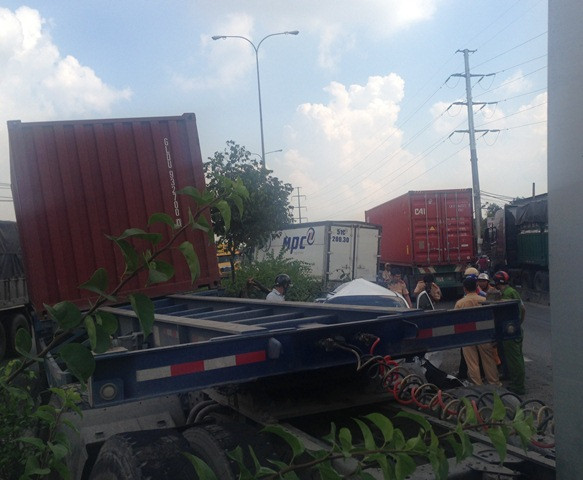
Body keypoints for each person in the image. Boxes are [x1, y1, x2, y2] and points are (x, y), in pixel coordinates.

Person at [455, 276, 501, 387]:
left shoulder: (460, 303)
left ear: (464, 288)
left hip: (468, 335)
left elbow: (456, 320)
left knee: (472, 362)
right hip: (484, 333)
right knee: (488, 359)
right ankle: (494, 383)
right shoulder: (484, 300)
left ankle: (478, 385)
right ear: (476, 287)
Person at [493, 270, 526, 395]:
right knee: (516, 357)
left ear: (497, 282)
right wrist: (519, 323)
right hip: (515, 329)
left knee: (514, 360)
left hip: (510, 332)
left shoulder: (506, 295)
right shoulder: (512, 291)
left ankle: (518, 387)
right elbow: (523, 309)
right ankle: (513, 379)